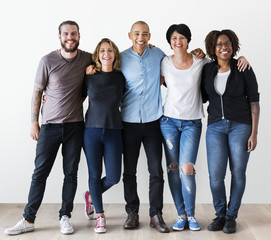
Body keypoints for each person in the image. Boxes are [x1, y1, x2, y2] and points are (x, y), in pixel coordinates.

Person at [4, 20, 93, 235]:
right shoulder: (47, 60)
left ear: (79, 36)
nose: (69, 37)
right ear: (60, 37)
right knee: (39, 173)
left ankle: (65, 216)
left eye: (73, 33)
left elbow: (111, 60)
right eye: (65, 34)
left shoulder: (88, 59)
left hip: (75, 126)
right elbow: (37, 92)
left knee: (70, 174)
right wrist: (34, 121)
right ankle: (28, 219)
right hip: (49, 127)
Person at [160, 24, 250, 232]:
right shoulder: (163, 61)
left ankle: (191, 214)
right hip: (168, 122)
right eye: (174, 38)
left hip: (192, 122)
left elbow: (224, 63)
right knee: (174, 169)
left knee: (187, 169)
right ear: (170, 41)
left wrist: (243, 59)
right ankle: (181, 214)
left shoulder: (202, 61)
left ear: (189, 40)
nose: (178, 41)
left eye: (182, 37)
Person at [201, 29, 260, 234]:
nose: (224, 48)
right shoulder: (207, 70)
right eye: (219, 44)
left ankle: (231, 216)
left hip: (241, 126)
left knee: (238, 172)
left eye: (227, 44)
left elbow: (254, 101)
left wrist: (254, 133)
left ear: (233, 46)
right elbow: (198, 94)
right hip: (215, 126)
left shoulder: (242, 67)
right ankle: (220, 214)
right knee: (216, 175)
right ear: (213, 48)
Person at [83, 38, 125, 233]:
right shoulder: (89, 76)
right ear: (97, 55)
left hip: (114, 131)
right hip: (91, 130)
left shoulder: (120, 77)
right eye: (102, 51)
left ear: (115, 54)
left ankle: (91, 196)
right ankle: (100, 215)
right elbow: (74, 94)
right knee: (94, 174)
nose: (106, 54)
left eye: (109, 50)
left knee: (114, 177)